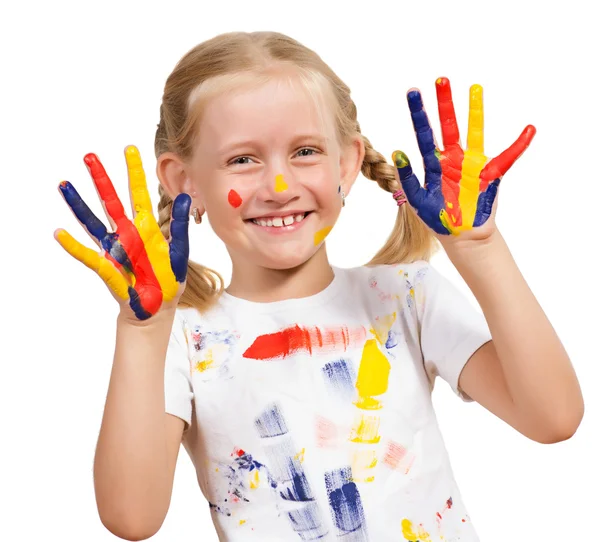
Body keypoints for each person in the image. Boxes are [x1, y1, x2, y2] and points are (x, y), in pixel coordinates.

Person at [54, 31, 584, 542]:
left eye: (305, 151)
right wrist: (141, 330)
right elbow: (132, 516)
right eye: (243, 159)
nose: (279, 187)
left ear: (347, 164)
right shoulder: (182, 339)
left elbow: (553, 418)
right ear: (183, 181)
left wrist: (479, 249)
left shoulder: (405, 296)